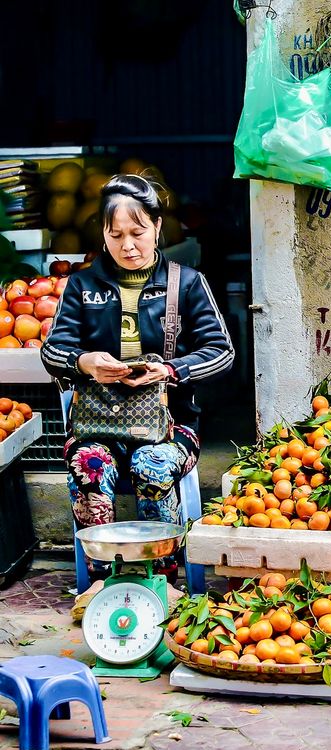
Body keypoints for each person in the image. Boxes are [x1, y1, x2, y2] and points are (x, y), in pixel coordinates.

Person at [41, 174, 234, 582]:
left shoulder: (186, 284)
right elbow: (52, 351)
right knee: (89, 464)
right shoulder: (82, 285)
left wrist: (169, 370)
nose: (128, 246)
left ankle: (159, 579)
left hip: (172, 426)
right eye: (116, 235)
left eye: (138, 232)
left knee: (152, 463)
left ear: (158, 227)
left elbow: (222, 353)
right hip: (97, 427)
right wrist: (86, 362)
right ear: (104, 234)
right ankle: (105, 581)